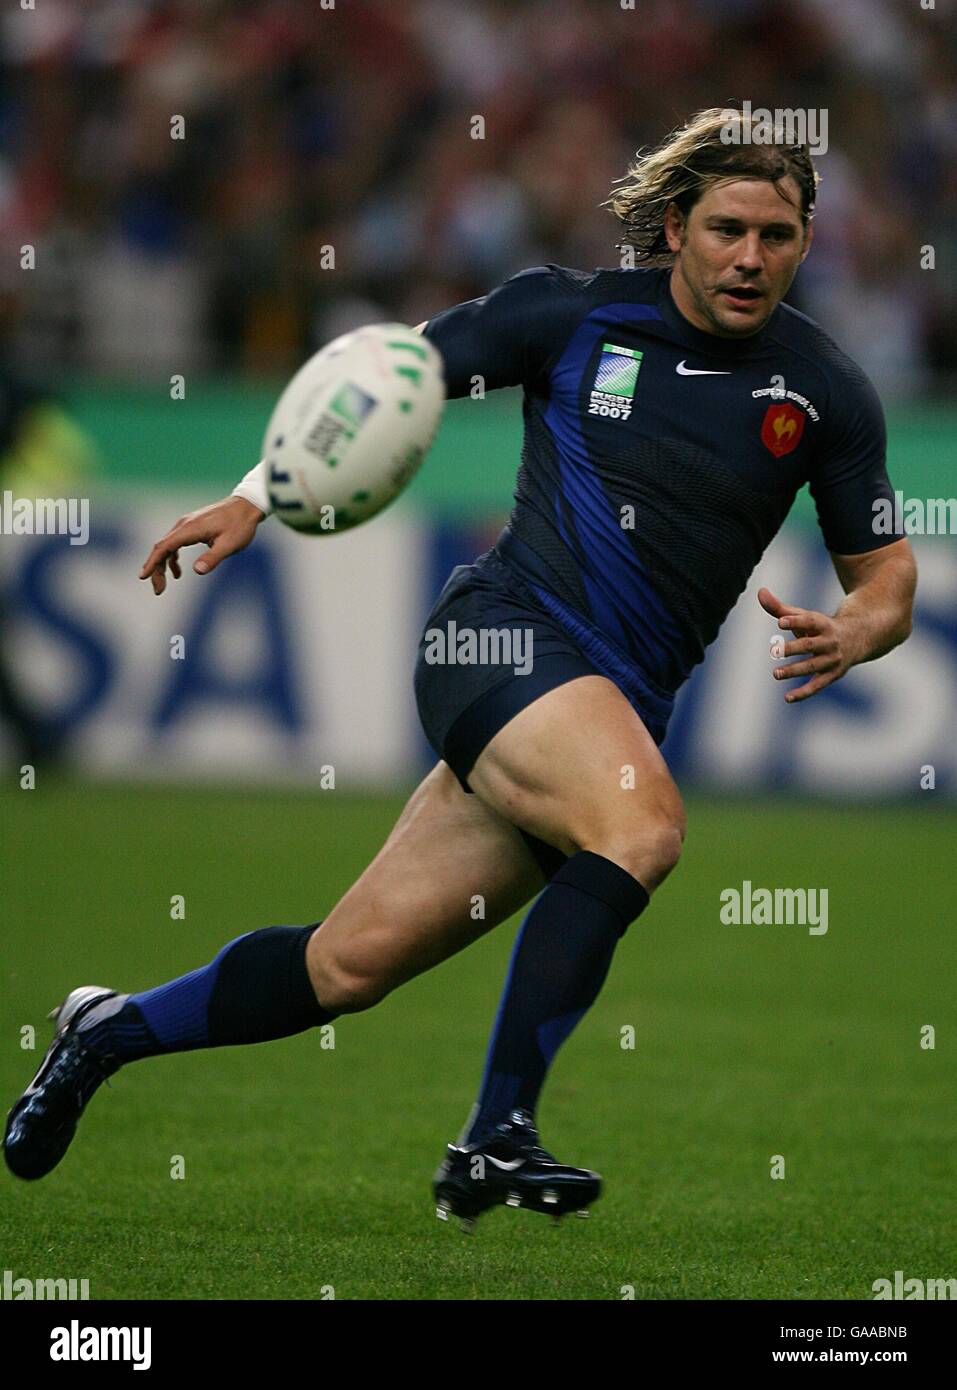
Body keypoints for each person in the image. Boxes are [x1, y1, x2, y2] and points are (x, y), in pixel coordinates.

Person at [4, 109, 916, 1230]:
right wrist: (255, 495)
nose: (750, 256)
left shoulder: (824, 389)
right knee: (643, 829)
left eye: (778, 235)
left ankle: (108, 1028)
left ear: (807, 242)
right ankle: (496, 1134)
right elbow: (388, 379)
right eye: (728, 228)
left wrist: (859, 629)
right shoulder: (569, 314)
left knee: (345, 968)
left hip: (606, 708)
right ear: (675, 226)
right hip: (498, 638)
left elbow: (887, 577)